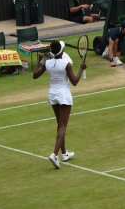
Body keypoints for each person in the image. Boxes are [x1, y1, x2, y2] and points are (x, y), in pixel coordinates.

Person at [33, 40, 86, 169]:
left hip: (52, 95)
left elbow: (35, 75)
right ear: (61, 51)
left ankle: (64, 153)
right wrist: (81, 68)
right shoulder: (66, 64)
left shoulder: (48, 63)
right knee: (63, 126)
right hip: (63, 96)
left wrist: (39, 60)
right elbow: (74, 81)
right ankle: (54, 154)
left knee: (59, 125)